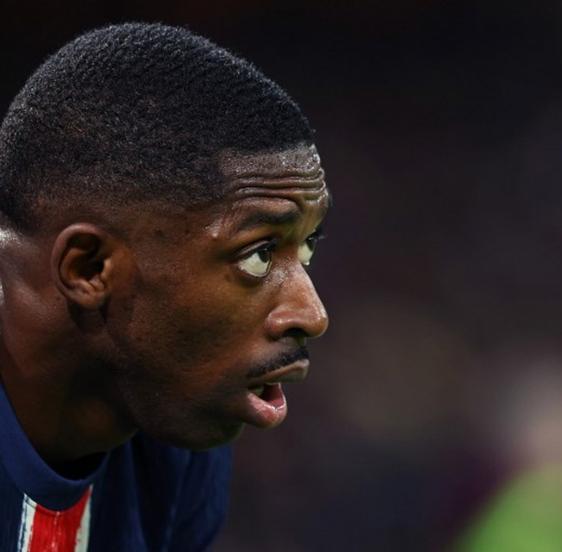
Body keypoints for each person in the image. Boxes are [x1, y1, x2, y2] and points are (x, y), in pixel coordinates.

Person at [0, 22, 329, 551]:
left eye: (307, 248)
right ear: (89, 269)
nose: (311, 314)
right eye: (259, 254)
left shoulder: (173, 435)